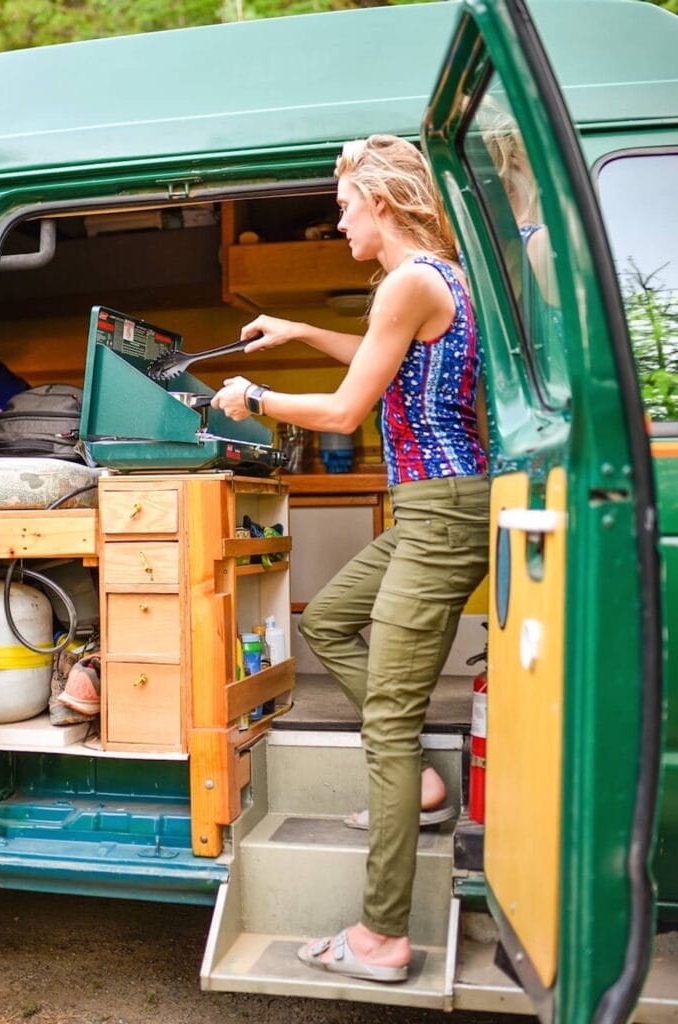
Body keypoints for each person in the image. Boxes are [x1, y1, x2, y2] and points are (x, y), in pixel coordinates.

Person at [211, 134, 489, 983]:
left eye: (343, 206)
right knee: (328, 621)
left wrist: (250, 398)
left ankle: (380, 937)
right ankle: (422, 786)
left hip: (440, 511)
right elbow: (379, 363)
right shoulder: (435, 280)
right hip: (435, 504)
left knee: (391, 727)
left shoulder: (408, 281)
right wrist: (301, 329)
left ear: (383, 200)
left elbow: (340, 413)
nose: (337, 222)